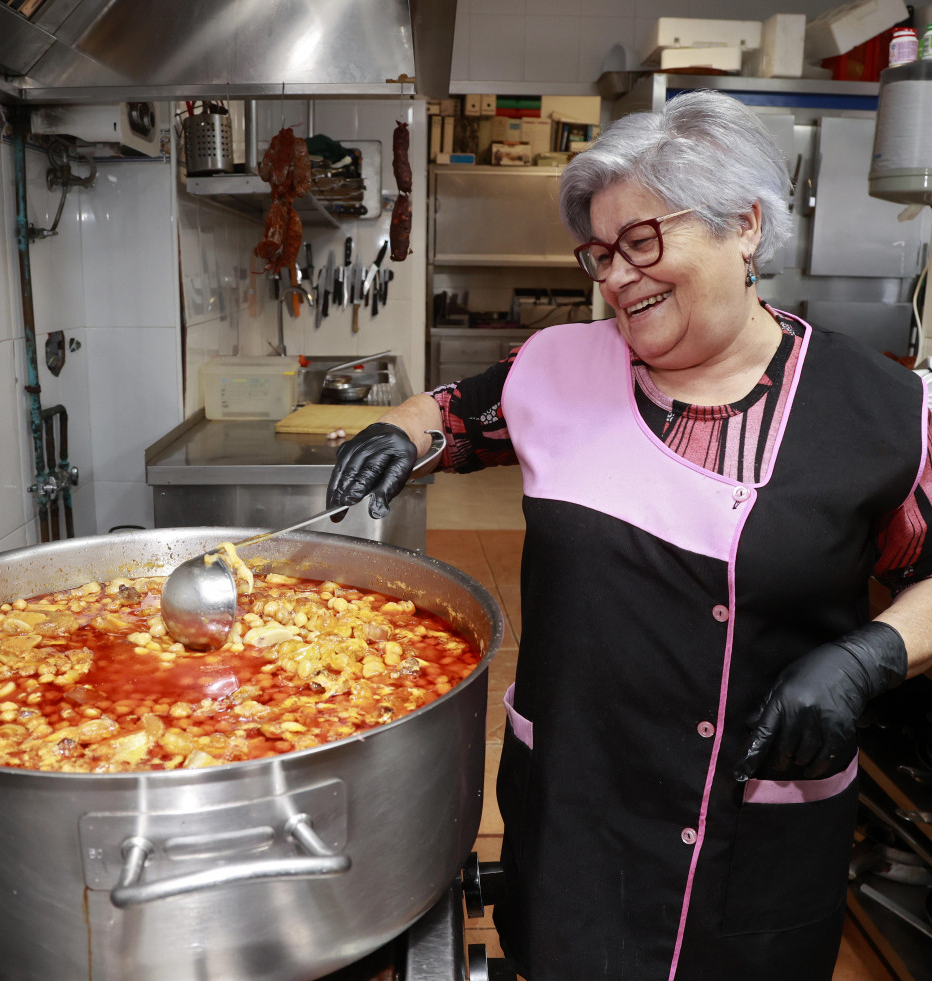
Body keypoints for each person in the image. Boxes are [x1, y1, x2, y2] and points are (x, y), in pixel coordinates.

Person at [325, 90, 932, 980]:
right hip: (577, 808)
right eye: (599, 254)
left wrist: (868, 656)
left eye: (642, 241)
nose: (614, 277)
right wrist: (397, 432)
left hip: (751, 827)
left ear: (744, 227)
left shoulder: (882, 409)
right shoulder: (560, 365)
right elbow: (455, 414)